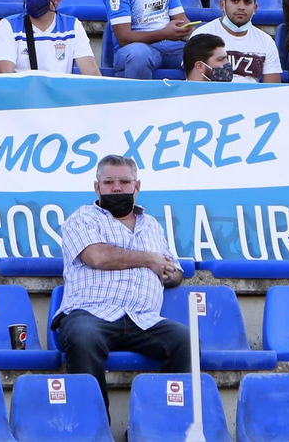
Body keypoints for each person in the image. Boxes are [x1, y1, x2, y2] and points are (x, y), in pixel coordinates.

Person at [54, 154, 189, 404]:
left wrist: (171, 274)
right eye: (109, 182)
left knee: (185, 340)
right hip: (92, 314)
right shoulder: (82, 218)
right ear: (97, 187)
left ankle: (158, 427)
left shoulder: (152, 226)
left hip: (143, 318)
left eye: (125, 182)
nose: (117, 188)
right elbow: (97, 257)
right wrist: (150, 260)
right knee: (82, 335)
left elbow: (175, 270)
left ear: (137, 187)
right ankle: (95, 431)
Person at [0, 0, 99, 75]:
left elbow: (92, 73)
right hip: (24, 91)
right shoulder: (9, 26)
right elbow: (4, 75)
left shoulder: (72, 26)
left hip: (58, 91)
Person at [191, 0, 280, 83]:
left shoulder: (266, 41)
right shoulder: (201, 35)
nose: (241, 7)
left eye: (247, 2)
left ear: (255, 8)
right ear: (222, 5)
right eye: (235, 1)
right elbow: (193, 85)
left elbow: (271, 89)